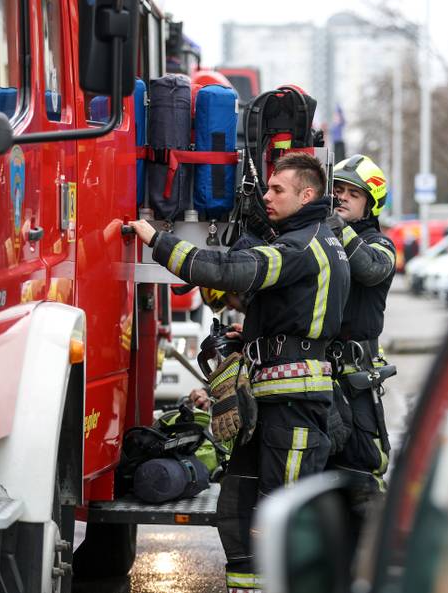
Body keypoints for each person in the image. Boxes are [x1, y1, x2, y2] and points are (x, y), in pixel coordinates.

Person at [129, 152, 349, 593]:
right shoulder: (307, 239)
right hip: (271, 403)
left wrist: (158, 240)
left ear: (307, 194)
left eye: (278, 190)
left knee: (282, 515)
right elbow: (293, 309)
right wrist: (251, 337)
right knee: (238, 507)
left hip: (294, 405)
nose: (267, 196)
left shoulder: (303, 245)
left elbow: (229, 272)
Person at [325, 154, 396, 518]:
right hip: (315, 374)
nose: (342, 197)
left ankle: (368, 546)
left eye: (353, 193)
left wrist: (338, 227)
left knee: (362, 468)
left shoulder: (380, 245)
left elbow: (369, 269)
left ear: (370, 204)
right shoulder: (321, 239)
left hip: (355, 381)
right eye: (337, 189)